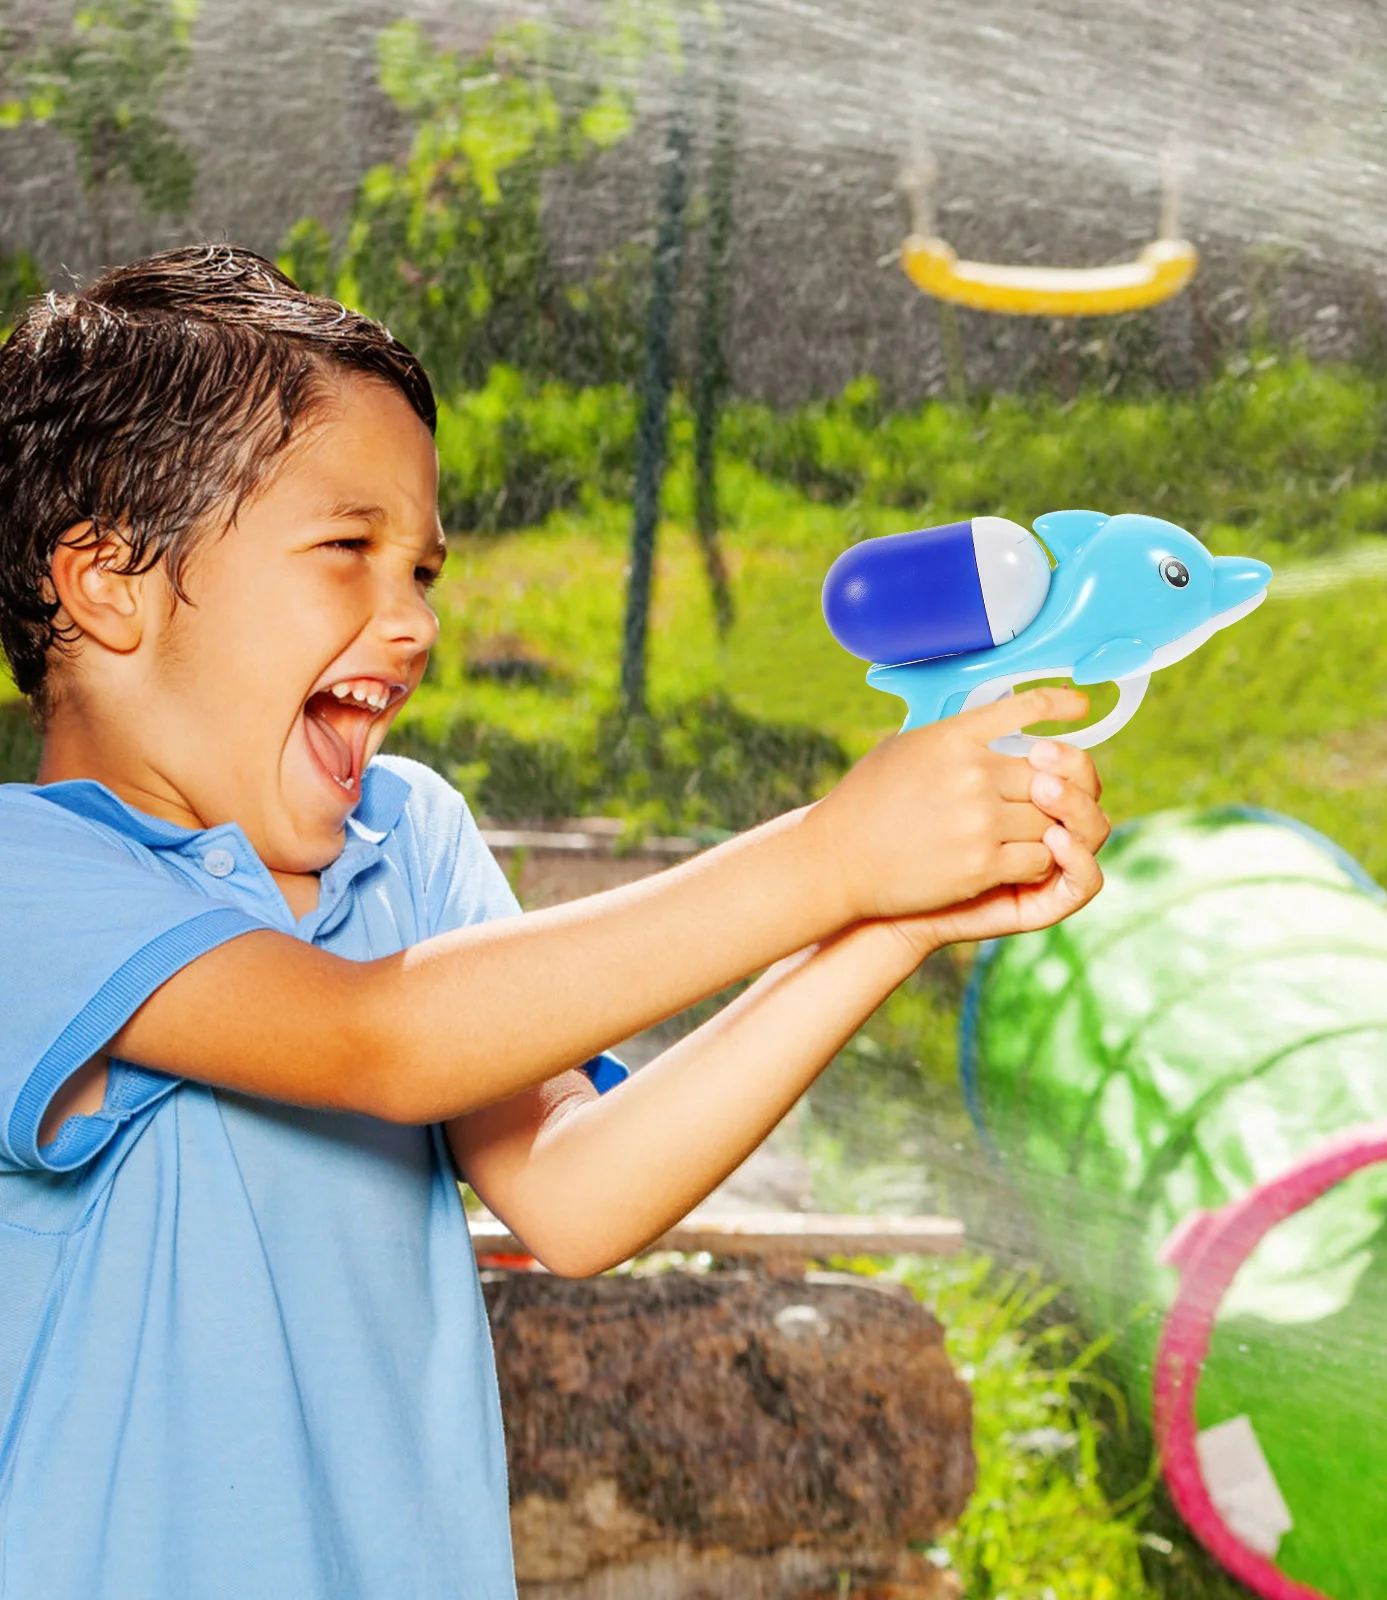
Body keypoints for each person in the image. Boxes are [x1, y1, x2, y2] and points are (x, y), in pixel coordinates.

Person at [0, 245, 1109, 1599]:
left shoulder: (406, 842)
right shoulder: (27, 882)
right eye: (349, 550)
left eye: (424, 571)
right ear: (105, 580)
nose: (408, 623)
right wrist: (830, 855)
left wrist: (893, 920)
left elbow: (578, 1195)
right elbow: (375, 1041)